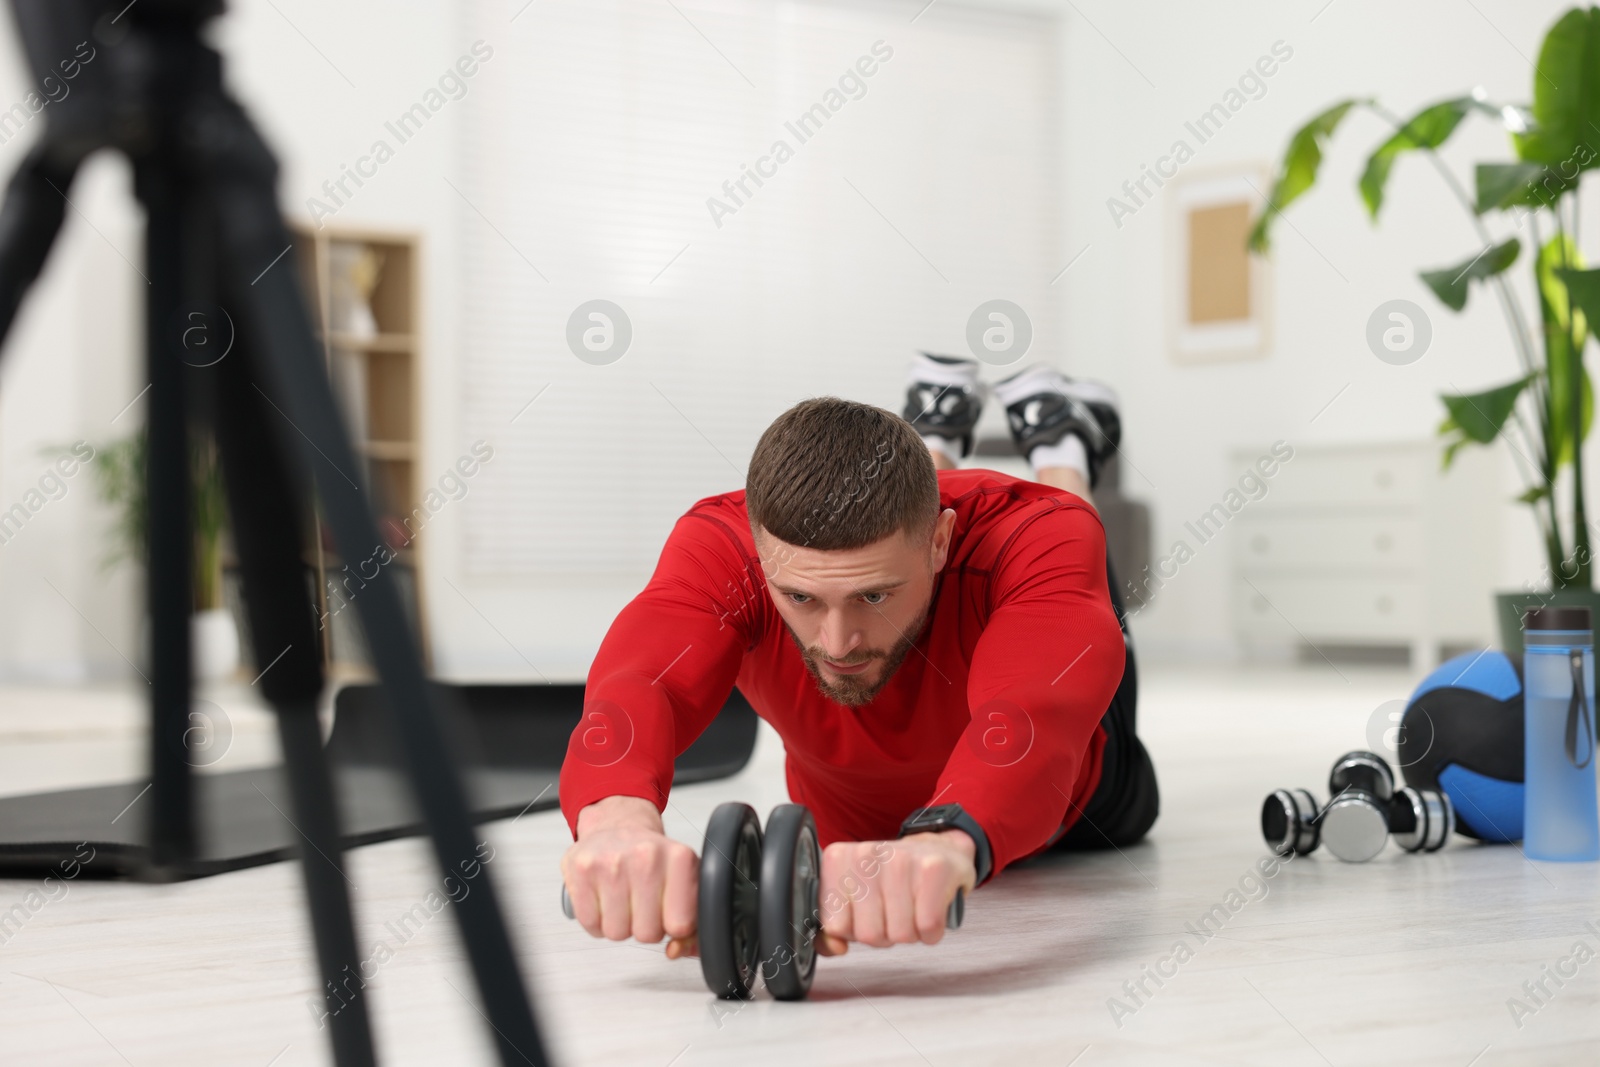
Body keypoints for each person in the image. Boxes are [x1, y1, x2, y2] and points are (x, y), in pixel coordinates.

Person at [558, 353, 1158, 959]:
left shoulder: (1034, 533)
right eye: (801, 597)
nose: (838, 643)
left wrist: (945, 844)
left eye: (873, 595)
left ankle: (1065, 445)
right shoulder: (723, 547)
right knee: (912, 516)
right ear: (761, 552)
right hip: (851, 824)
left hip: (1073, 805)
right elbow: (642, 683)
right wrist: (614, 822)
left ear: (941, 543)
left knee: (1079, 536)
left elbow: (1030, 712)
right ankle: (939, 431)